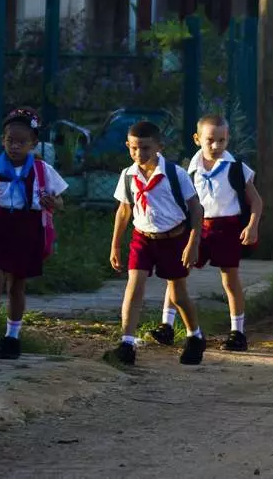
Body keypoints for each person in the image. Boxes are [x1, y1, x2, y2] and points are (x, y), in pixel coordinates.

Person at [0, 108, 68, 360]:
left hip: (26, 229)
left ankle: (12, 337)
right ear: (2, 140)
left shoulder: (42, 170)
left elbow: (60, 201)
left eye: (22, 142)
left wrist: (54, 202)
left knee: (17, 284)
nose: (15, 146)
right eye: (10, 141)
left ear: (33, 143)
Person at [152, 115, 262, 352]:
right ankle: (167, 325)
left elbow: (256, 201)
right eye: (210, 140)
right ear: (197, 139)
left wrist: (252, 225)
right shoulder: (187, 171)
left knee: (230, 279)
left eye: (222, 140)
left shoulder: (237, 168)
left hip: (228, 227)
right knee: (177, 274)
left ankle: (237, 332)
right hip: (196, 228)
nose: (216, 146)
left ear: (228, 139)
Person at [107, 121, 206, 365]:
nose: (139, 154)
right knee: (134, 284)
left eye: (145, 148)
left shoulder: (175, 174)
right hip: (142, 237)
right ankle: (127, 343)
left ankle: (195, 336)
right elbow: (123, 211)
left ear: (159, 147)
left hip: (174, 238)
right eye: (134, 148)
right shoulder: (128, 175)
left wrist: (192, 243)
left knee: (178, 294)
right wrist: (116, 244)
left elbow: (196, 210)